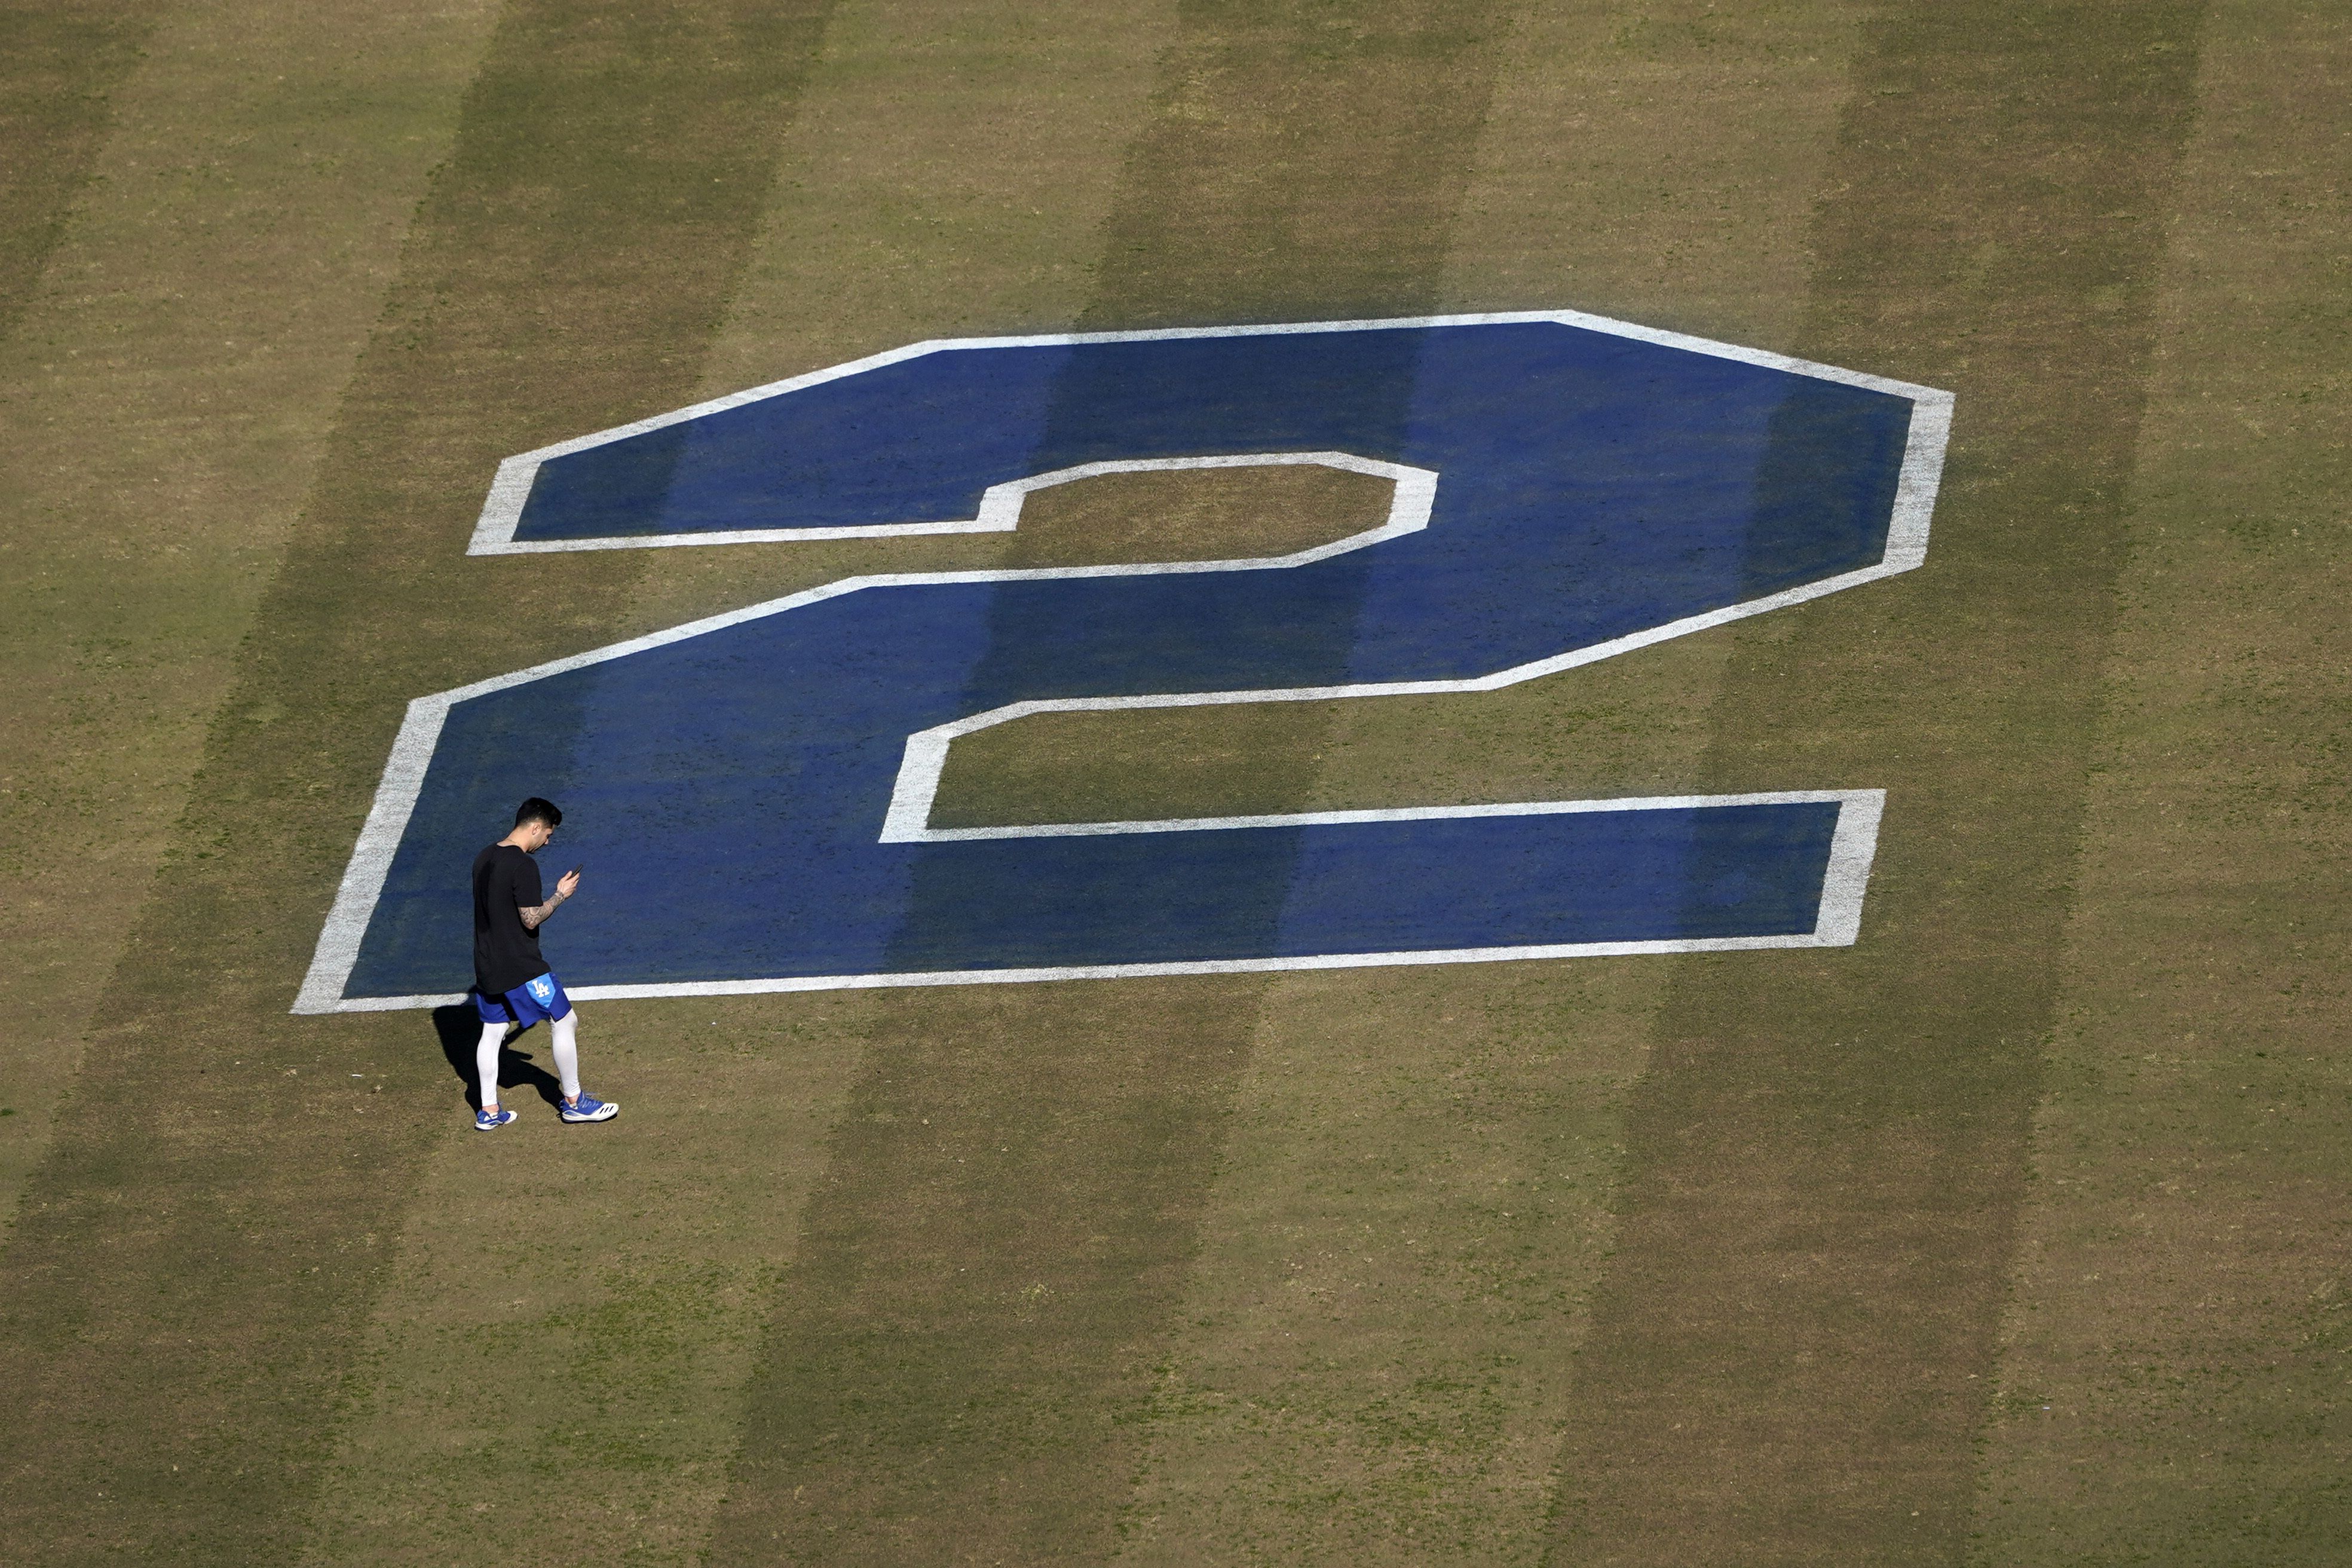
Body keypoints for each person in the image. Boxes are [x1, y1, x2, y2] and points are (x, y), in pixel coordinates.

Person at [470, 797, 618, 1129]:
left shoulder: (484, 857)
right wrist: (561, 895)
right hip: (521, 966)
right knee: (565, 1020)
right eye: (547, 835)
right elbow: (531, 919)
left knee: (492, 1032)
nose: (547, 842)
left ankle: (489, 1111)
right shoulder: (523, 866)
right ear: (535, 827)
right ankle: (575, 1102)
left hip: (487, 964)